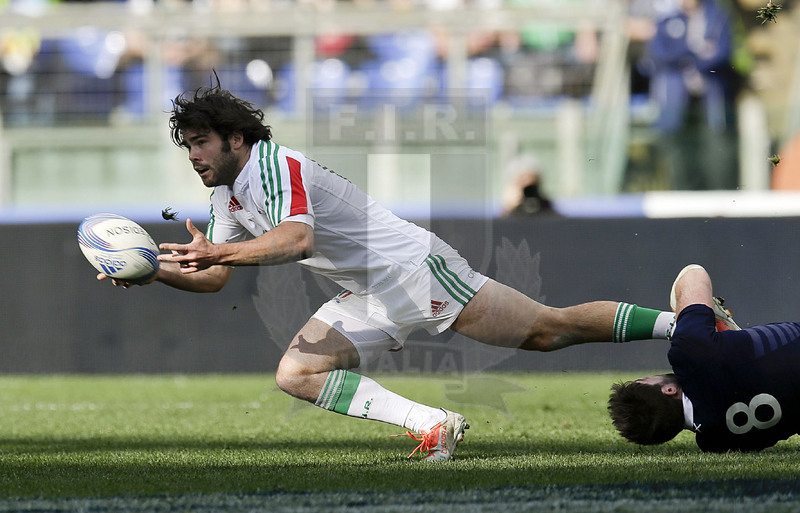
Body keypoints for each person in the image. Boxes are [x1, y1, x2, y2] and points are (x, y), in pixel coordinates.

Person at [99, 84, 678, 462]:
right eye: (189, 147)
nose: (194, 156)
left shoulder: (276, 166)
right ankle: (433, 426)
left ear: (236, 138)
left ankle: (684, 325)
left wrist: (218, 254)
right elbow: (215, 279)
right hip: (369, 292)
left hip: (412, 271)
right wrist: (155, 271)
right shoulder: (228, 196)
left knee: (551, 331)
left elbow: (297, 239)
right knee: (297, 372)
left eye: (201, 143)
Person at [609, 264, 800, 452]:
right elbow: (694, 274)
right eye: (645, 380)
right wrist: (681, 321)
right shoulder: (691, 357)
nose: (650, 376)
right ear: (668, 389)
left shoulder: (716, 444)